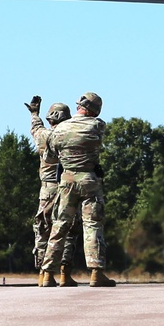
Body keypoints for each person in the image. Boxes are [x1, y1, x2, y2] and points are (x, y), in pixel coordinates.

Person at [38, 92, 116, 287]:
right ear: (95, 109)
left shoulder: (60, 129)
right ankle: (96, 273)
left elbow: (49, 159)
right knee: (92, 226)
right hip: (90, 180)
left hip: (66, 182)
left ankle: (47, 274)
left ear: (79, 106)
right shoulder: (98, 125)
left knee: (59, 226)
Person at [26, 96, 81, 287]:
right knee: (69, 229)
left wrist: (34, 114)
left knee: (43, 229)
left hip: (48, 189)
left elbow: (36, 129)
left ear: (51, 119)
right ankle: (65, 273)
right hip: (69, 186)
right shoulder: (72, 137)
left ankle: (44, 274)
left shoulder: (44, 136)